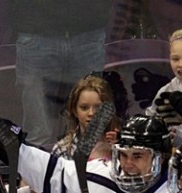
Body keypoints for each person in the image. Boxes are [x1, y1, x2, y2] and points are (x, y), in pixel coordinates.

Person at [9, 0, 112, 147]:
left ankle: (87, 169)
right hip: (35, 31)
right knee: (38, 132)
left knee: (89, 130)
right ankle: (37, 169)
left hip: (89, 30)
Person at [51, 74, 120, 161]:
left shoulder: (121, 147)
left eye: (98, 107)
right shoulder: (62, 150)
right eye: (84, 108)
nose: (91, 113)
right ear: (74, 111)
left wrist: (120, 150)